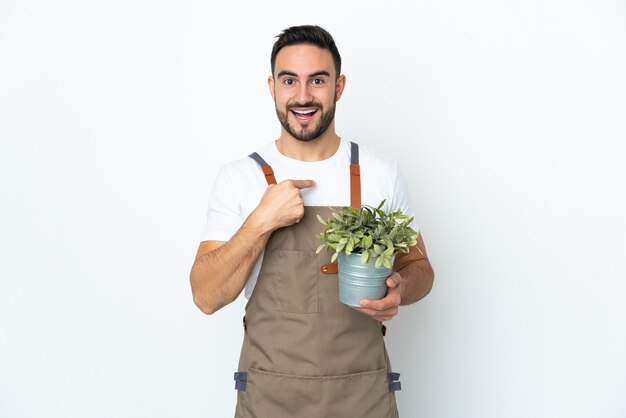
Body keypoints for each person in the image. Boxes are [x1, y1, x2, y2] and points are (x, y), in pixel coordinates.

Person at [190, 24, 434, 418]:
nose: (303, 97)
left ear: (338, 87)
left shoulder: (379, 173)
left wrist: (400, 288)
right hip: (270, 399)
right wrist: (261, 221)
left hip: (363, 397)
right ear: (272, 87)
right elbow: (206, 296)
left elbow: (421, 269)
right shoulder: (239, 178)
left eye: (317, 80)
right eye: (290, 80)